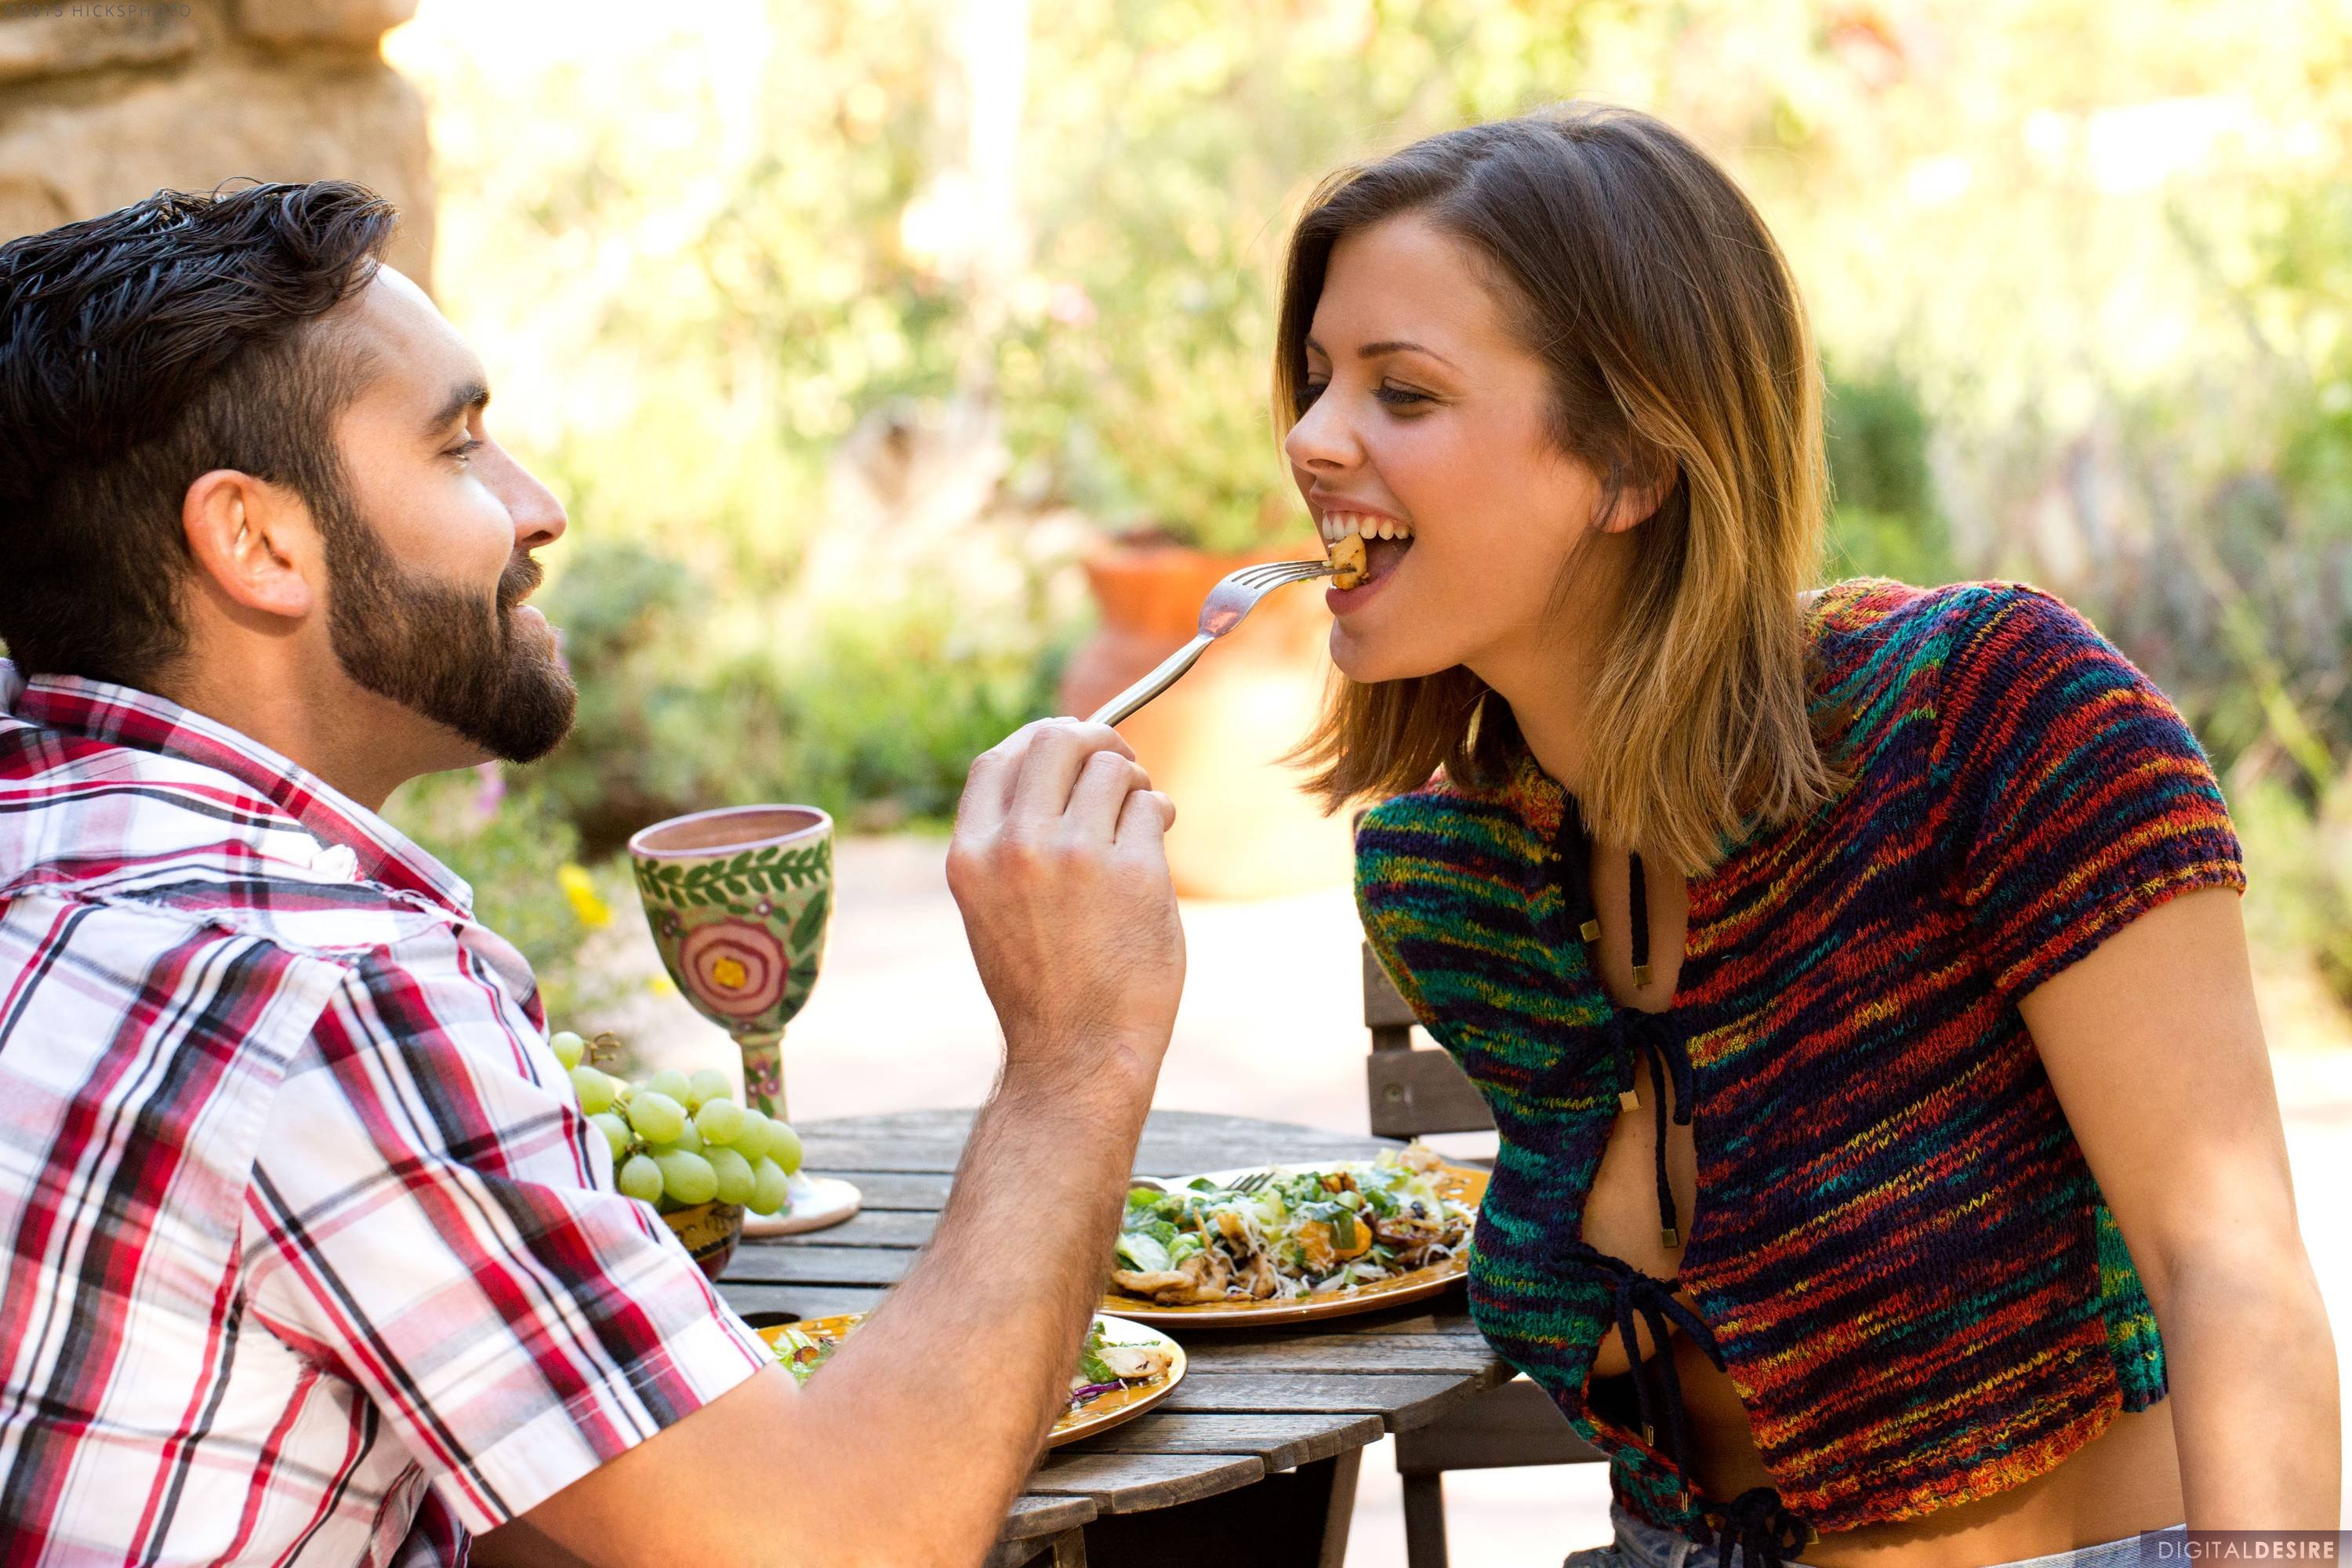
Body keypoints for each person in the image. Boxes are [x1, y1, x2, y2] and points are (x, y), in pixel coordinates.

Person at [0, 180, 1185, 1567]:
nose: (539, 506)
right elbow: (840, 1547)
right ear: (258, 542)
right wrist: (1076, 1048)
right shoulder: (323, 995)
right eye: (458, 447)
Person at [1277, 105, 2340, 1566]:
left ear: (1634, 462)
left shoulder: (1991, 714)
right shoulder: (1456, 880)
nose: (1309, 438)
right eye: (1318, 379)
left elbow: (2230, 1269)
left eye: (1402, 391)